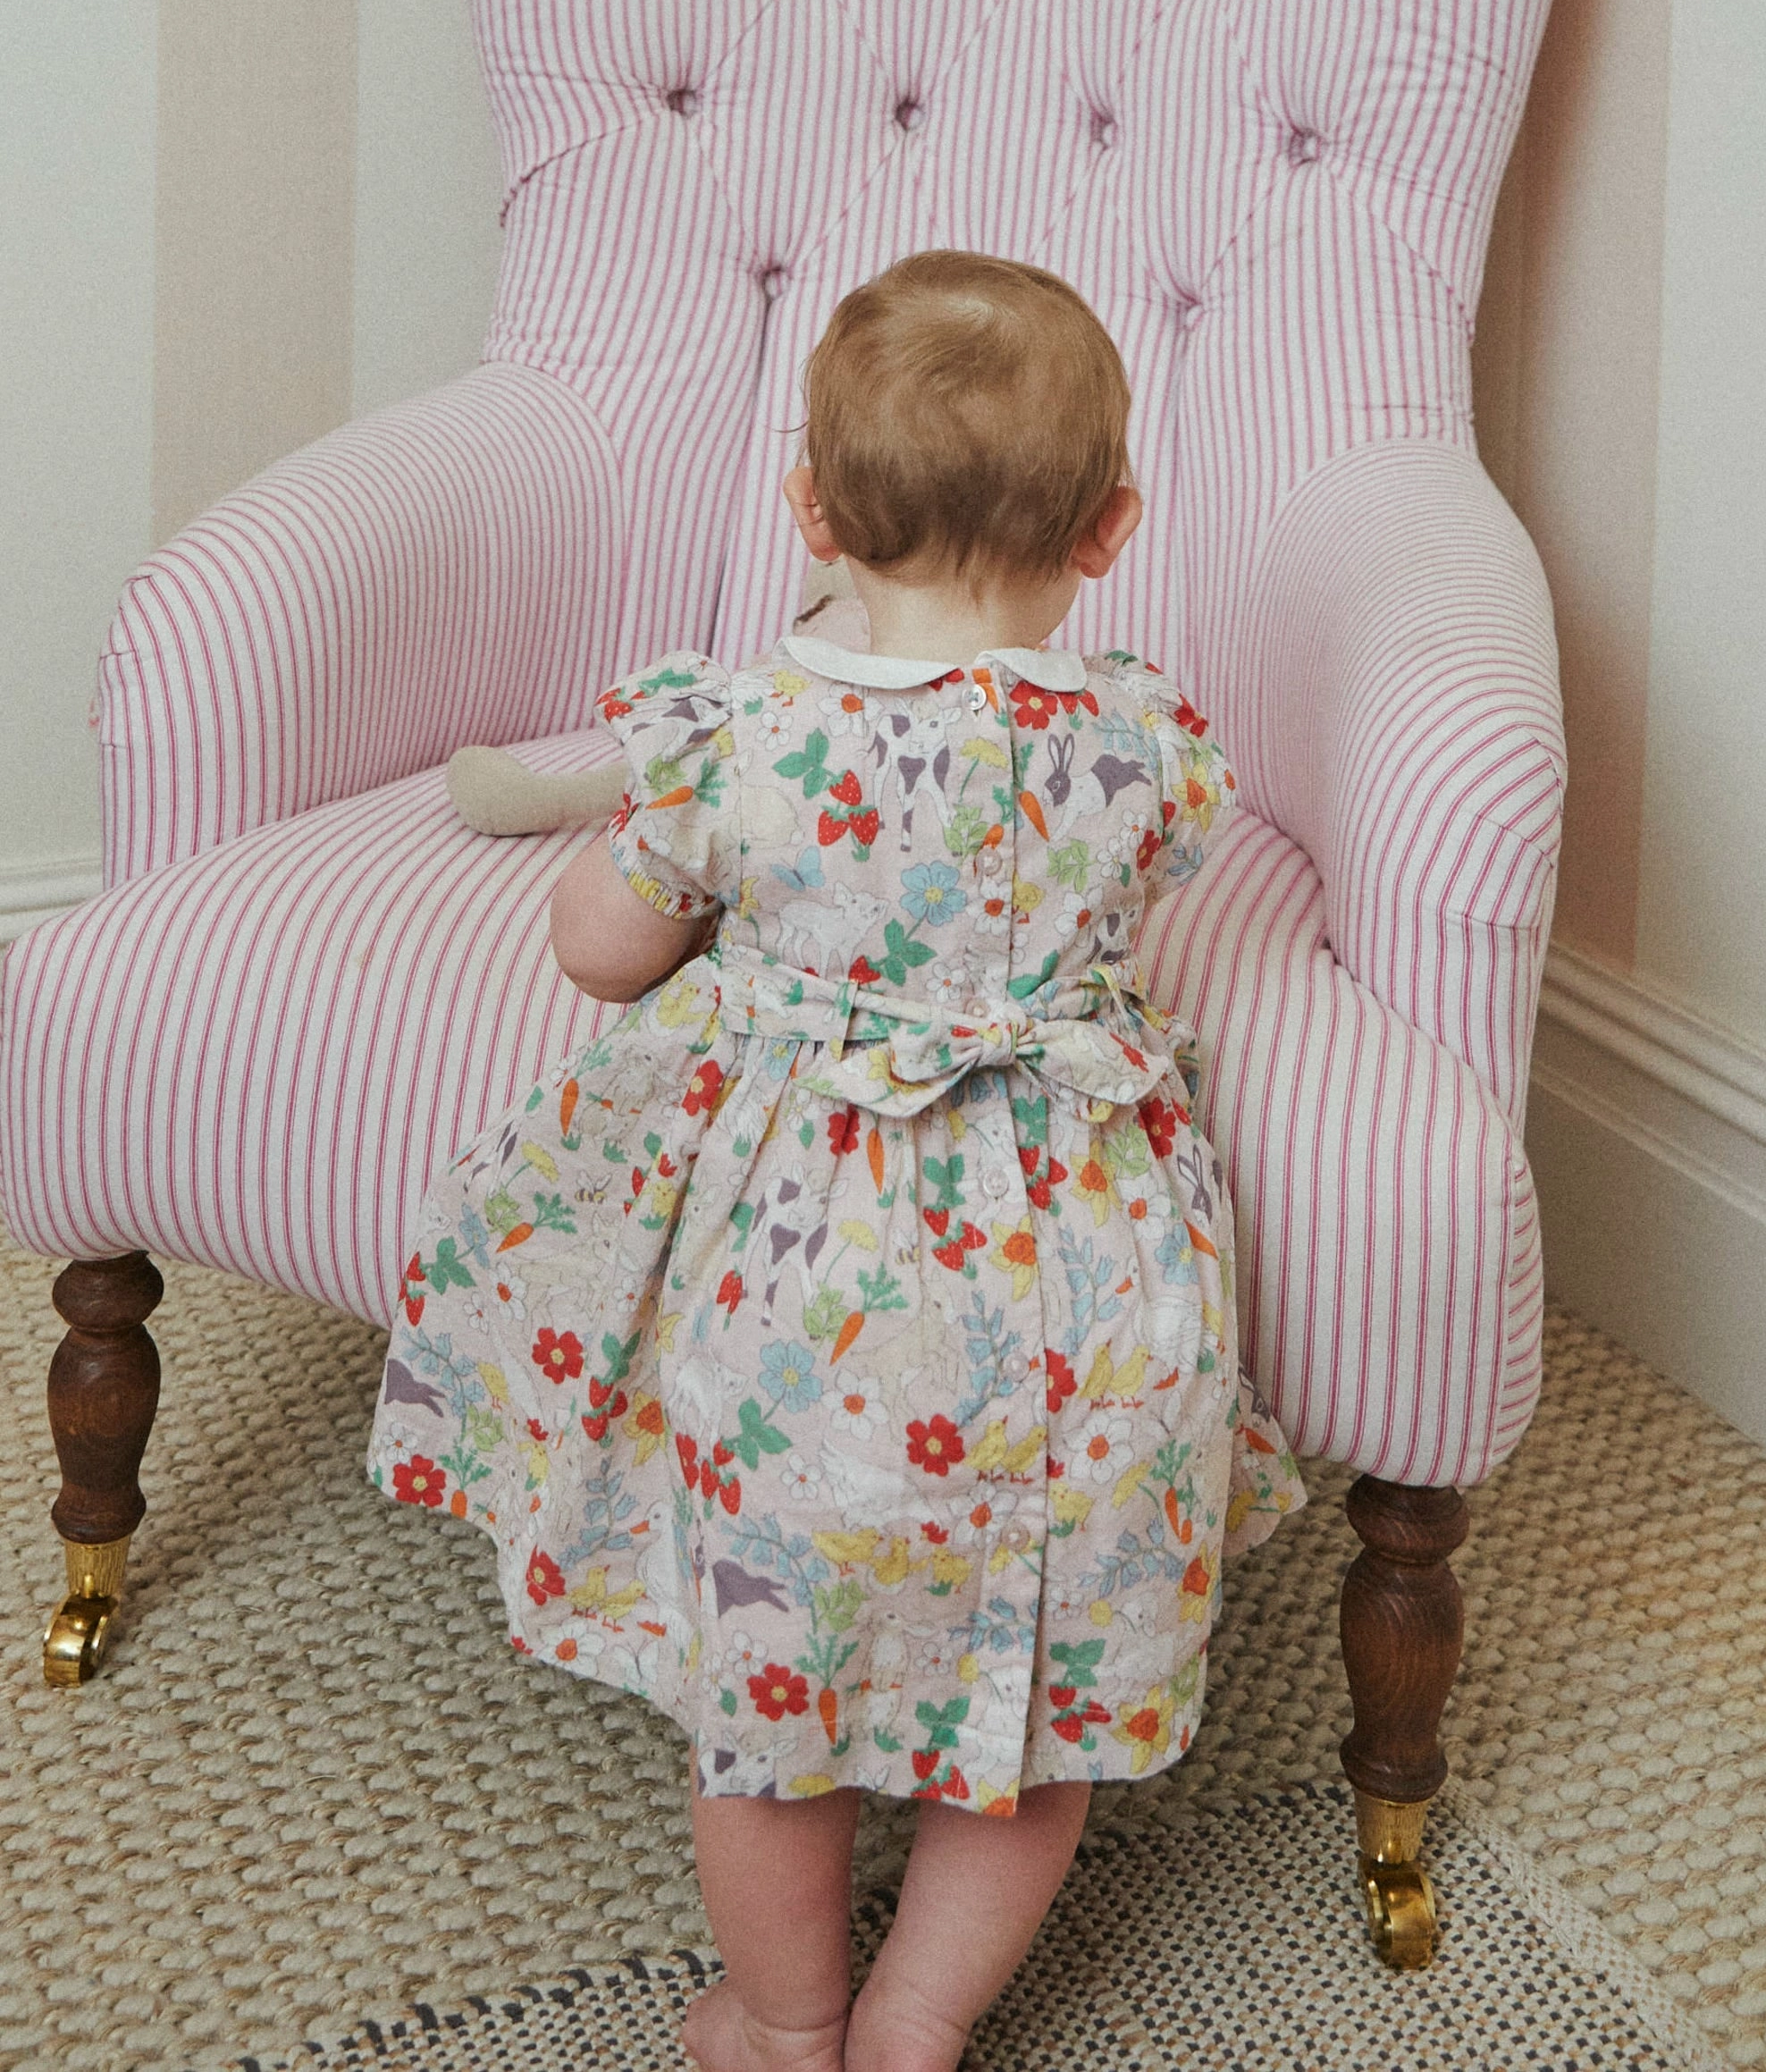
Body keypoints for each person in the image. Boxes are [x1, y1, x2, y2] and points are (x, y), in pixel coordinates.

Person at [369, 252, 1304, 2072]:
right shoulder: (1144, 747)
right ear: (1112, 527)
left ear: (808, 509)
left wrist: (685, 879)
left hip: (811, 1316)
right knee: (1029, 1724)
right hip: (1082, 1314)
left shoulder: (750, 744)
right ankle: (921, 2023)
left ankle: (784, 2022)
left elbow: (597, 949)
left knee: (770, 1713)